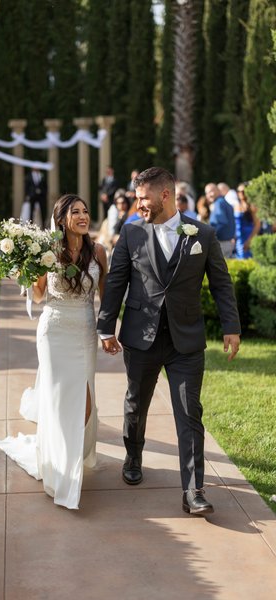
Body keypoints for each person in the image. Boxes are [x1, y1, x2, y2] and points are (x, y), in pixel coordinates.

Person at [97, 167, 241, 516]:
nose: (138, 204)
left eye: (143, 198)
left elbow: (221, 284)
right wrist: (105, 327)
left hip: (186, 340)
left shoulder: (202, 234)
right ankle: (133, 454)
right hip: (140, 337)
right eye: (137, 198)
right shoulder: (130, 233)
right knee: (136, 404)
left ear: (166, 195)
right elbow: (116, 282)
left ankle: (193, 490)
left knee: (190, 413)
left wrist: (231, 326)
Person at [0, 194, 108, 509]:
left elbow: (106, 297)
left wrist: (108, 332)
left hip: (84, 332)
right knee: (58, 405)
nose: (83, 216)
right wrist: (25, 275)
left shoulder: (98, 252)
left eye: (86, 211)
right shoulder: (47, 253)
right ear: (61, 219)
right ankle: (62, 475)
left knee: (85, 403)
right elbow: (40, 296)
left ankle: (75, 454)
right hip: (54, 332)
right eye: (76, 212)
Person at [205, 182, 235, 258]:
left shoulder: (219, 203)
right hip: (227, 242)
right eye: (208, 193)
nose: (209, 195)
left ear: (218, 191)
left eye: (212, 191)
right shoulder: (224, 202)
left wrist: (209, 235)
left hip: (222, 243)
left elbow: (222, 223)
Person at [234, 182, 261, 258]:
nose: (240, 193)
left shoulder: (253, 206)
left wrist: (249, 241)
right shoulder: (236, 206)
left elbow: (258, 225)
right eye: (238, 191)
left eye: (243, 191)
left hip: (249, 237)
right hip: (239, 239)